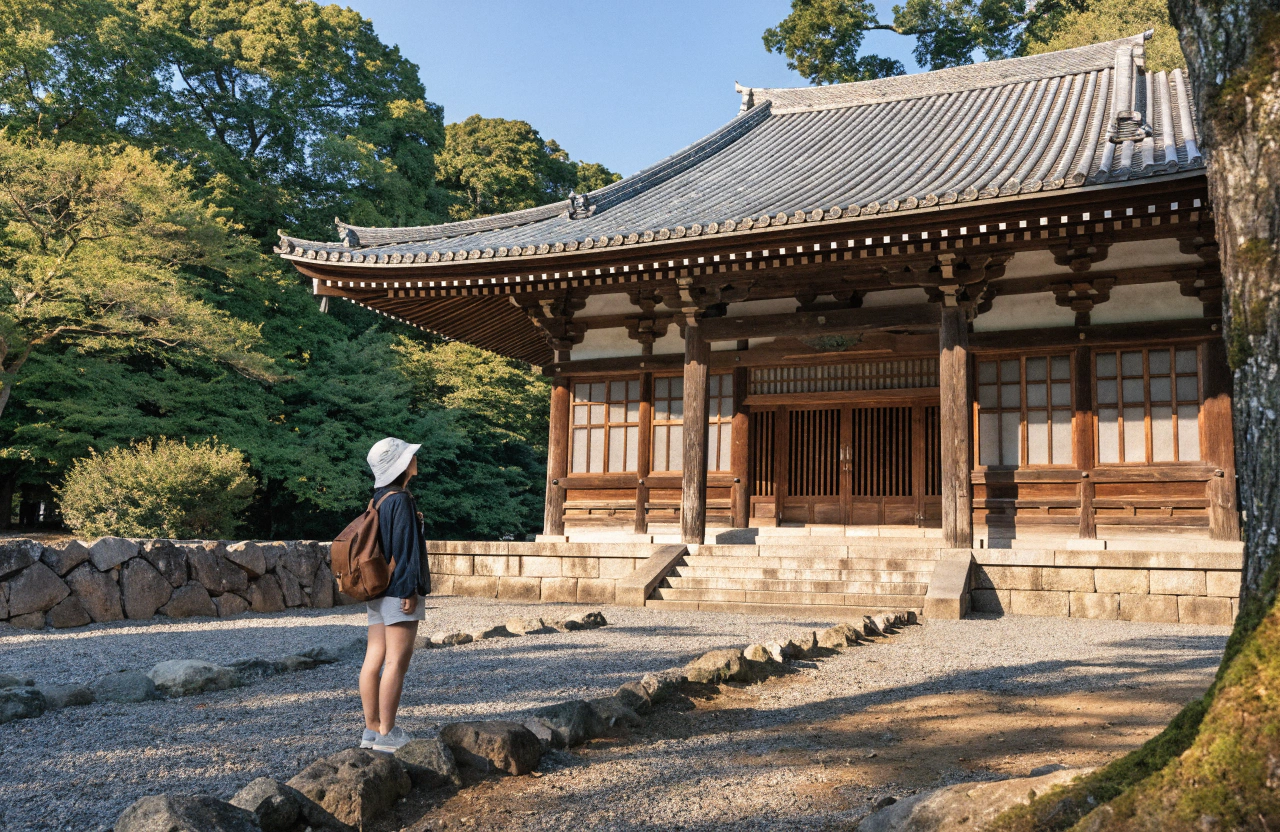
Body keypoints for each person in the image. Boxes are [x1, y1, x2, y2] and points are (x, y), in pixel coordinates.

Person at [358, 436, 430, 753]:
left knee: (373, 660)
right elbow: (405, 549)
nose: (415, 459)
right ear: (400, 465)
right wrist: (410, 590)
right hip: (399, 590)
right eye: (409, 456)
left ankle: (371, 729)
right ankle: (388, 733)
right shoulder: (400, 500)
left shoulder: (378, 499)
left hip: (377, 588)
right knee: (397, 662)